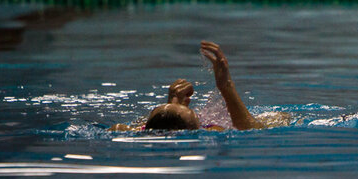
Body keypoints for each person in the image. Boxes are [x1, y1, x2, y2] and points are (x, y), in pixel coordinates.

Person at [111, 41, 287, 131]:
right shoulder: (212, 131)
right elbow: (250, 131)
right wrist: (226, 87)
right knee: (279, 118)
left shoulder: (126, 130)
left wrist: (173, 106)